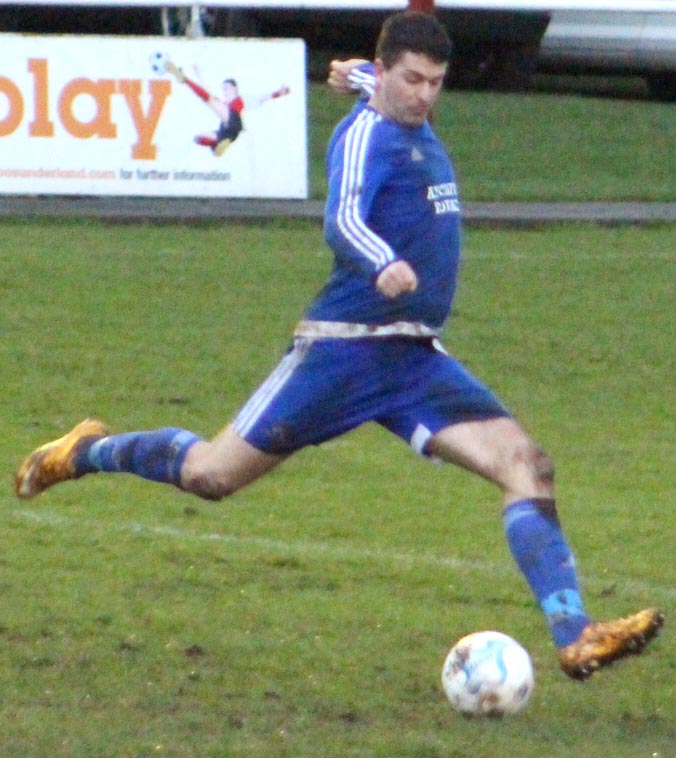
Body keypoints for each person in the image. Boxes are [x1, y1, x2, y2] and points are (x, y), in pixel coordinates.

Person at [15, 11, 663, 680]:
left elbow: (376, 85)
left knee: (528, 465)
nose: (424, 95)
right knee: (211, 475)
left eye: (436, 83)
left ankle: (576, 633)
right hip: (342, 353)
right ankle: (85, 451)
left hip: (411, 362)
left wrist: (355, 74)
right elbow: (342, 216)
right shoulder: (364, 137)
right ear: (388, 74)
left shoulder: (407, 115)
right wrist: (381, 261)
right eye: (411, 80)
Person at [166, 62, 289, 156]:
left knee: (211, 100)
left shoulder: (240, 100)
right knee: (198, 139)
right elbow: (207, 90)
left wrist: (278, 93)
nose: (225, 91)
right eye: (224, 89)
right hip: (228, 133)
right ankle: (218, 144)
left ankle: (184, 79)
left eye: (227, 88)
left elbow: (262, 98)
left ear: (235, 89)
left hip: (234, 123)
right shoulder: (224, 104)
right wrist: (198, 74)